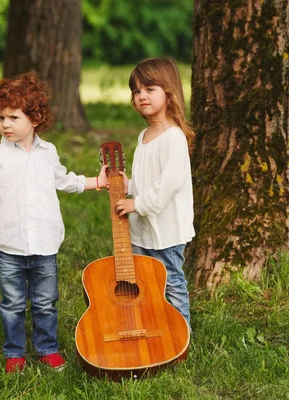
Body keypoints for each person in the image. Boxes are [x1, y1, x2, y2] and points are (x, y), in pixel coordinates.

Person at [0, 72, 108, 373]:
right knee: (12, 304)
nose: (5, 124)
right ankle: (14, 353)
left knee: (45, 302)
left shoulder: (48, 153)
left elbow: (66, 181)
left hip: (45, 246)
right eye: (1, 118)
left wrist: (97, 182)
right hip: (8, 247)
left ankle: (47, 348)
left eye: (13, 117)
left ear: (35, 119)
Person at [114, 57, 195, 329]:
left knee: (171, 282)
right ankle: (156, 327)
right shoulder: (144, 135)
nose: (141, 96)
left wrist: (136, 203)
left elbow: (168, 185)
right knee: (145, 282)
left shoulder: (173, 137)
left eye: (149, 89)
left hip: (167, 231)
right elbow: (147, 178)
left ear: (169, 92)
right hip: (144, 229)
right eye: (136, 91)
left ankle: (181, 333)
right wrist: (130, 186)